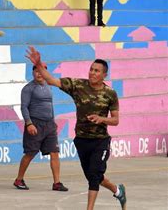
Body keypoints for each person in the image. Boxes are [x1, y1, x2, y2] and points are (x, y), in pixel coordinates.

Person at [26, 46, 126, 210]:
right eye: (91, 70)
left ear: (104, 75)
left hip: (100, 141)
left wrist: (101, 119)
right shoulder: (78, 86)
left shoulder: (110, 94)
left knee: (94, 176)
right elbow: (52, 81)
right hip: (81, 140)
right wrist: (38, 64)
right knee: (95, 177)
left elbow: (115, 120)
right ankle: (117, 190)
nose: (92, 73)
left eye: (97, 71)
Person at [13, 65, 69, 192]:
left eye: (41, 71)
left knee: (54, 152)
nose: (39, 74)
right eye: (36, 71)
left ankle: (57, 183)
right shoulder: (28, 89)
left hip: (49, 125)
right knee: (30, 153)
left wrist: (53, 122)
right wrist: (29, 123)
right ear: (32, 73)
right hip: (35, 124)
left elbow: (50, 106)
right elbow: (24, 107)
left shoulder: (48, 86)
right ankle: (19, 179)